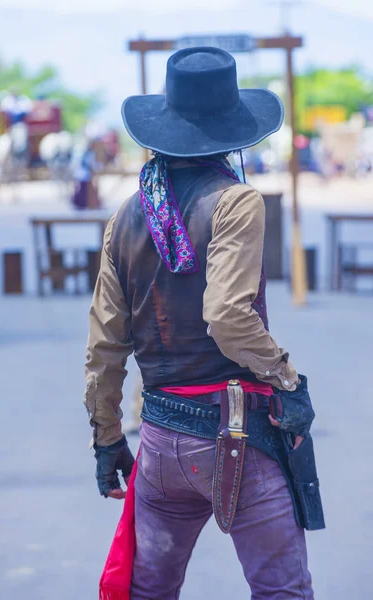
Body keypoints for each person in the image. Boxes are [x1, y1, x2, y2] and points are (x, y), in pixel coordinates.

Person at [84, 47, 324, 600]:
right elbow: (226, 317)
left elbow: (105, 345)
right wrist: (285, 376)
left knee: (150, 591)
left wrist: (106, 439)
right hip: (235, 436)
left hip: (162, 440)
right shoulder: (236, 202)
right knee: (282, 591)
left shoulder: (126, 215)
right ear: (234, 134)